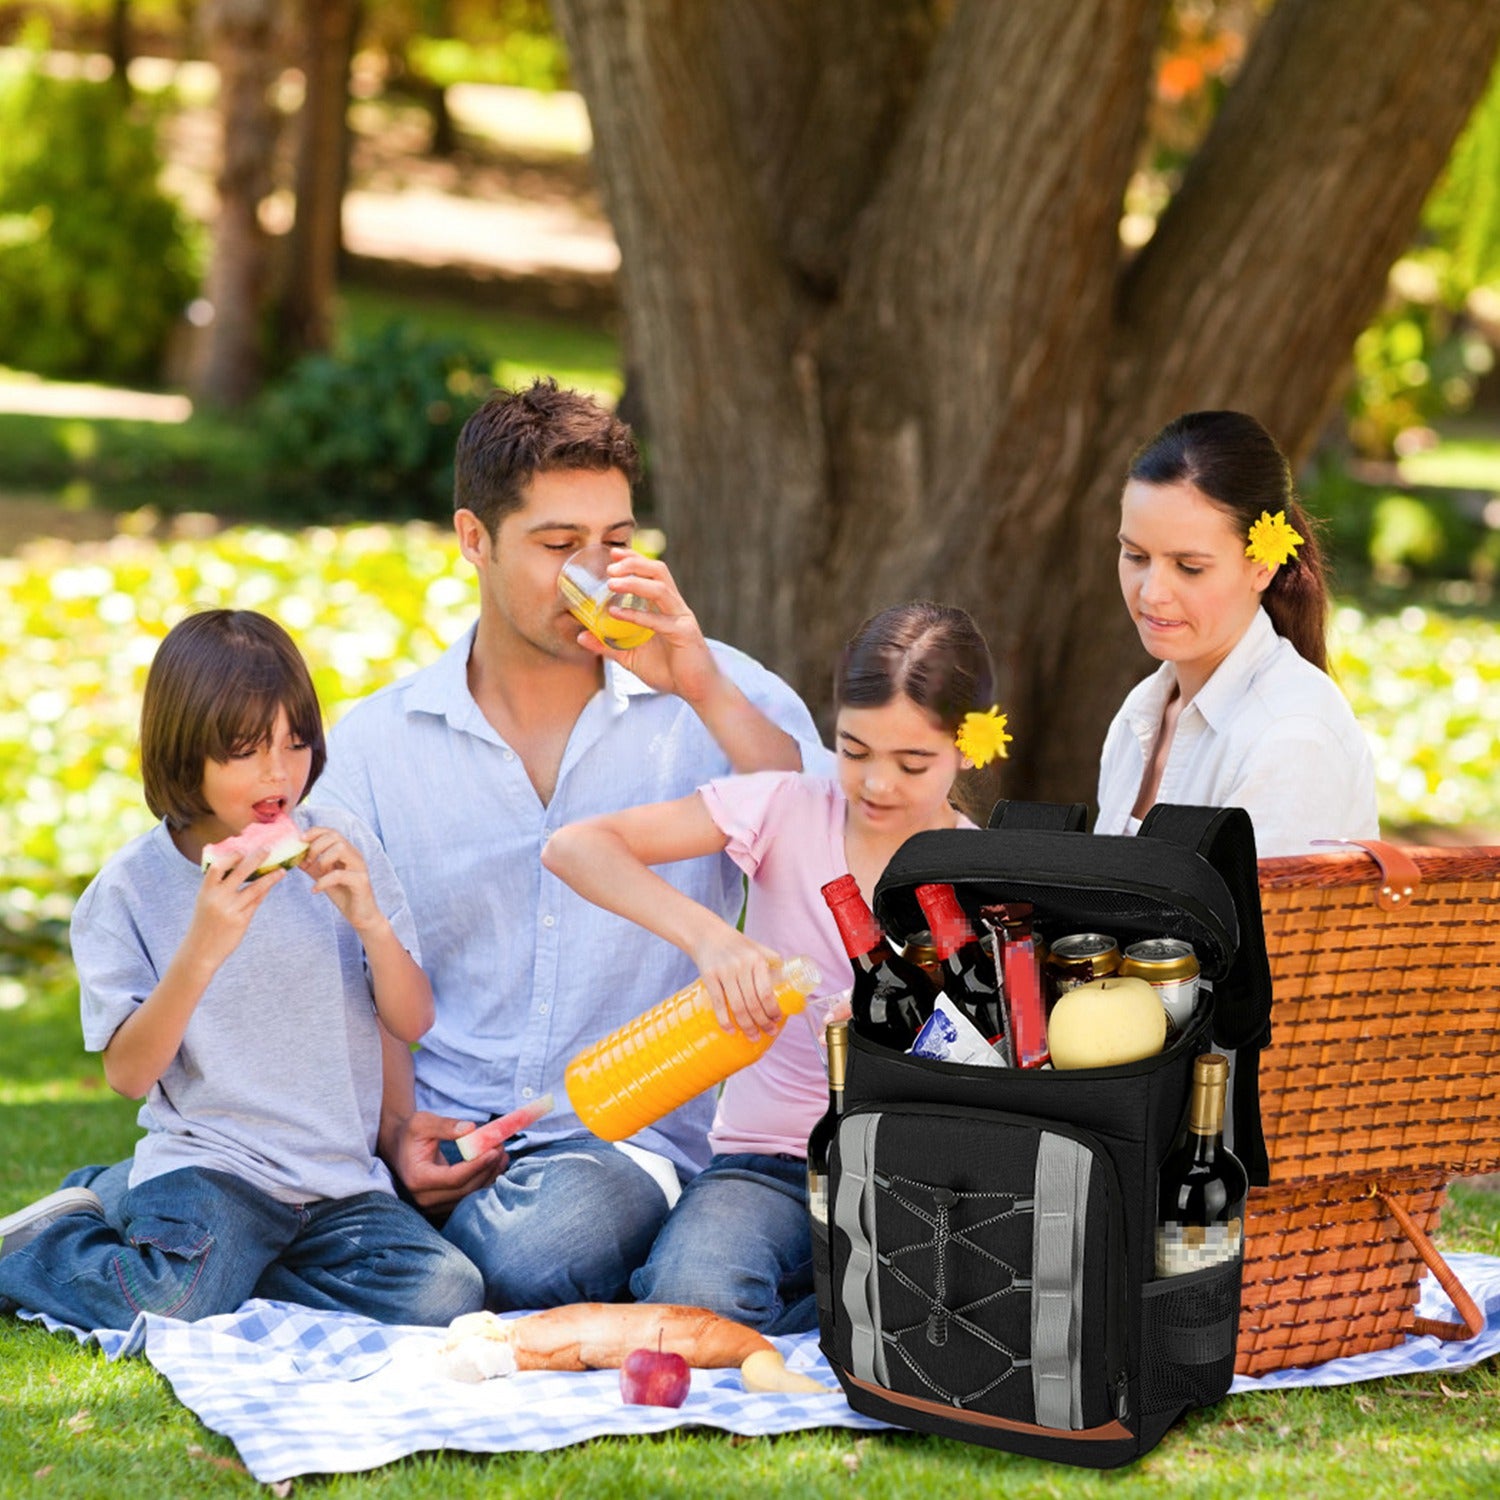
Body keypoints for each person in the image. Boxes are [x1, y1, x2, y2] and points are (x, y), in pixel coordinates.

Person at [313, 379, 829, 1311]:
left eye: (618, 543)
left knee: (536, 1254)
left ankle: (412, 1260)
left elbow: (833, 828)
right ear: (474, 538)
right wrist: (394, 1131)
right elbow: (348, 964)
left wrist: (702, 687)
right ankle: (408, 1243)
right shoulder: (377, 745)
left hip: (627, 1136)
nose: (595, 576)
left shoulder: (717, 693)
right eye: (559, 546)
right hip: (448, 1122)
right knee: (424, 1226)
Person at [0, 611, 483, 1329]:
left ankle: (203, 1255)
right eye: (246, 750)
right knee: (168, 1301)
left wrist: (371, 922)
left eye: (296, 743)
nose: (280, 773)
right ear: (183, 752)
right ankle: (47, 1243)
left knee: (445, 1293)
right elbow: (129, 1075)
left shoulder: (342, 843)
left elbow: (412, 1019)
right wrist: (201, 949)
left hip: (338, 1183)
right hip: (214, 1170)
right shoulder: (128, 891)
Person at [541, 602, 1005, 1331]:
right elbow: (574, 847)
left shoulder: (989, 878)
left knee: (958, 1309)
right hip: (772, 1163)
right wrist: (711, 941)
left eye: (912, 762)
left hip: (916, 1172)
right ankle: (834, 1300)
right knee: (693, 1289)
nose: (876, 784)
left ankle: (838, 1301)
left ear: (969, 749)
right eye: (854, 751)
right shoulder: (786, 809)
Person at [1095, 410, 1378, 857]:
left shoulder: (1292, 737)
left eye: (1189, 567)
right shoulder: (1140, 714)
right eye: (1135, 556)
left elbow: (1268, 927)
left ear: (1263, 564)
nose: (1151, 593)